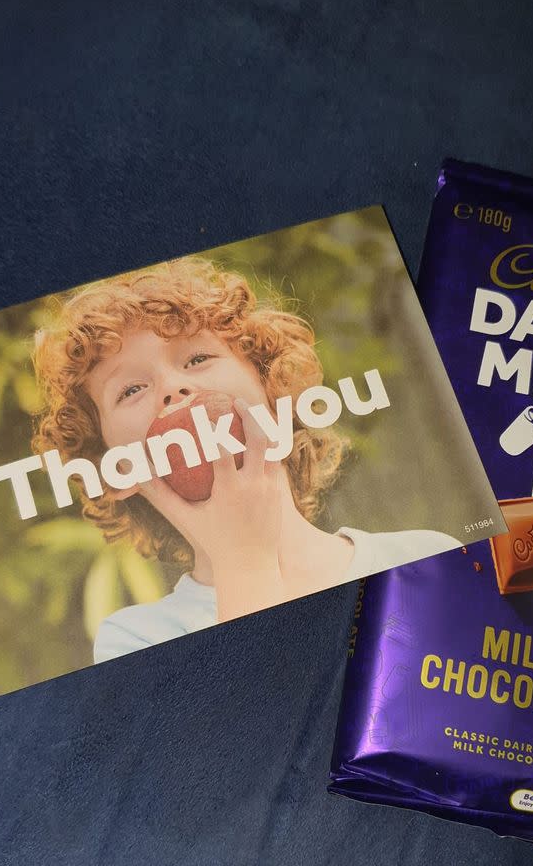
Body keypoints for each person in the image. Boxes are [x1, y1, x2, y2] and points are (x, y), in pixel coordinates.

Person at [33, 257, 457, 661]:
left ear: (275, 397)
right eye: (130, 390)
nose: (172, 387)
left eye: (197, 358)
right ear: (115, 471)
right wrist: (244, 560)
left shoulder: (427, 558)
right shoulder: (137, 639)